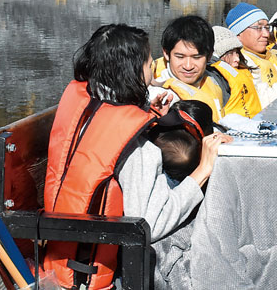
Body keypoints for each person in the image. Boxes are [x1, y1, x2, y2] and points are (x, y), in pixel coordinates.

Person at [43, 24, 232, 290]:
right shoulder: (139, 150)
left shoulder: (88, 101)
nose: (153, 67)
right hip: (98, 266)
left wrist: (145, 111)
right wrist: (202, 170)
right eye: (148, 61)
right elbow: (149, 226)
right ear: (134, 71)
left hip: (66, 245)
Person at [151, 15, 225, 120]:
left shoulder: (216, 81)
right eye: (180, 57)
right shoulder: (158, 95)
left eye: (196, 57)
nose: (188, 66)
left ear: (209, 56)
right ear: (166, 53)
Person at [211, 25, 262, 119]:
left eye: (237, 52)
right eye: (230, 53)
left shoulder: (243, 71)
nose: (237, 59)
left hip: (256, 122)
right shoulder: (216, 77)